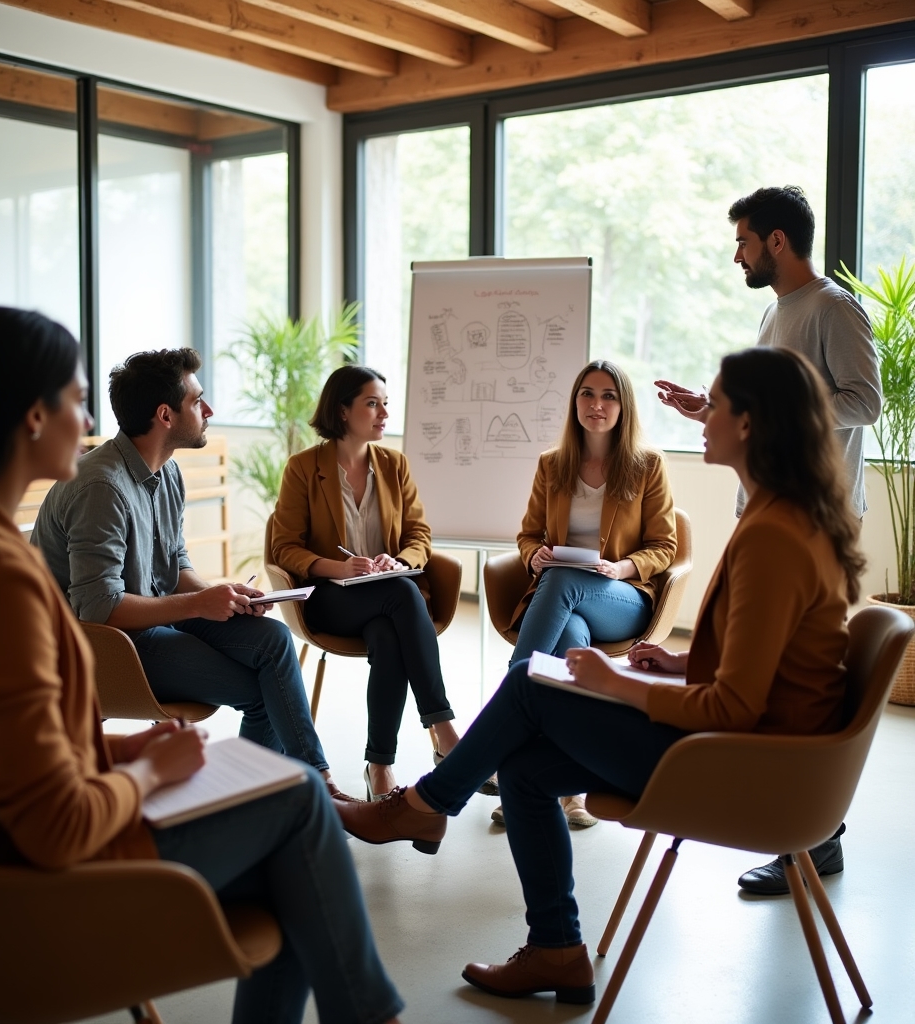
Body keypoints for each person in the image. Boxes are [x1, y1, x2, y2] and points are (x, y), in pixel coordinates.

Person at [0, 308, 403, 1024]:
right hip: (35, 894)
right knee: (299, 806)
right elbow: (55, 826)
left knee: (290, 831)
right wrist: (148, 774)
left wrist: (123, 746)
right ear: (33, 417)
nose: (88, 418)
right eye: (75, 399)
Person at [336, 346, 863, 1006]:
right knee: (527, 766)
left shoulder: (772, 535)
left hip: (743, 764)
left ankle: (426, 805)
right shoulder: (784, 515)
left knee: (532, 681)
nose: (703, 415)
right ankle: (556, 949)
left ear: (751, 424)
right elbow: (764, 663)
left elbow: (733, 707)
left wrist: (615, 683)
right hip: (762, 749)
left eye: (717, 404)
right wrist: (674, 663)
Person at [655, 185, 881, 894]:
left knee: (803, 677)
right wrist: (710, 405)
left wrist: (789, 411)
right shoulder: (774, 310)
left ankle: (810, 833)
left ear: (777, 242)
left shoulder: (834, 309)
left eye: (745, 242)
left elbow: (867, 400)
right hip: (769, 505)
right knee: (771, 671)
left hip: (814, 515)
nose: (737, 254)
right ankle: (807, 833)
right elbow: (766, 404)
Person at [32, 348, 354, 802]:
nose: (209, 410)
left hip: (149, 620)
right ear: (165, 415)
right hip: (103, 645)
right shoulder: (102, 487)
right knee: (264, 690)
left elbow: (176, 565)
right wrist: (198, 604)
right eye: (197, 401)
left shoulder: (167, 473)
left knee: (274, 641)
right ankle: (264, 801)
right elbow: (99, 609)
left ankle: (311, 781)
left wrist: (220, 593)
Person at [501, 360, 677, 829]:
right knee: (569, 640)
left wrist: (622, 567)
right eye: (587, 394)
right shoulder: (552, 464)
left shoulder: (647, 465)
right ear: (575, 401)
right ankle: (571, 788)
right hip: (567, 603)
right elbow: (527, 535)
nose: (596, 405)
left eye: (608, 396)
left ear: (623, 406)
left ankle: (507, 712)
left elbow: (665, 546)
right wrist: (534, 555)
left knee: (562, 584)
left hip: (621, 598)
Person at [270, 365, 460, 799]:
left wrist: (398, 559)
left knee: (389, 633)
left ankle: (379, 768)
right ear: (341, 411)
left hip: (386, 600)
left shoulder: (395, 465)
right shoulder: (303, 468)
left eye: (385, 404)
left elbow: (420, 535)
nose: (383, 415)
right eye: (372, 404)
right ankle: (442, 727)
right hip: (329, 598)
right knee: (401, 594)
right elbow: (284, 549)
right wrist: (338, 568)